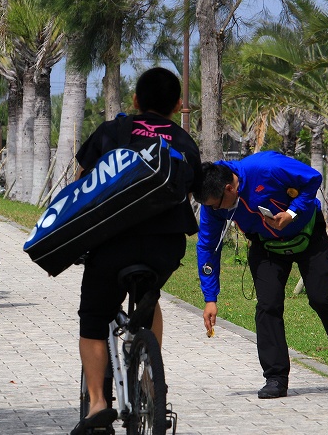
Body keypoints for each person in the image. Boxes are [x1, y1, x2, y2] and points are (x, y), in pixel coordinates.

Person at [70, 67, 201, 434]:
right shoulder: (184, 142)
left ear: (135, 101)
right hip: (165, 246)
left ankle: (97, 406)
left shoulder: (112, 132)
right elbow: (189, 190)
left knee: (94, 318)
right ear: (177, 105)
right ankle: (150, 379)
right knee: (149, 293)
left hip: (112, 242)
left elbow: (82, 186)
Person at [193, 151, 328, 399]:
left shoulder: (266, 167)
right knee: (268, 306)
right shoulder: (213, 207)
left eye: (215, 204)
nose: (213, 210)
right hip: (267, 246)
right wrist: (210, 297)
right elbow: (207, 246)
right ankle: (276, 378)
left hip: (308, 234)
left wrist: (291, 213)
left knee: (323, 298)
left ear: (228, 189)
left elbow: (312, 179)